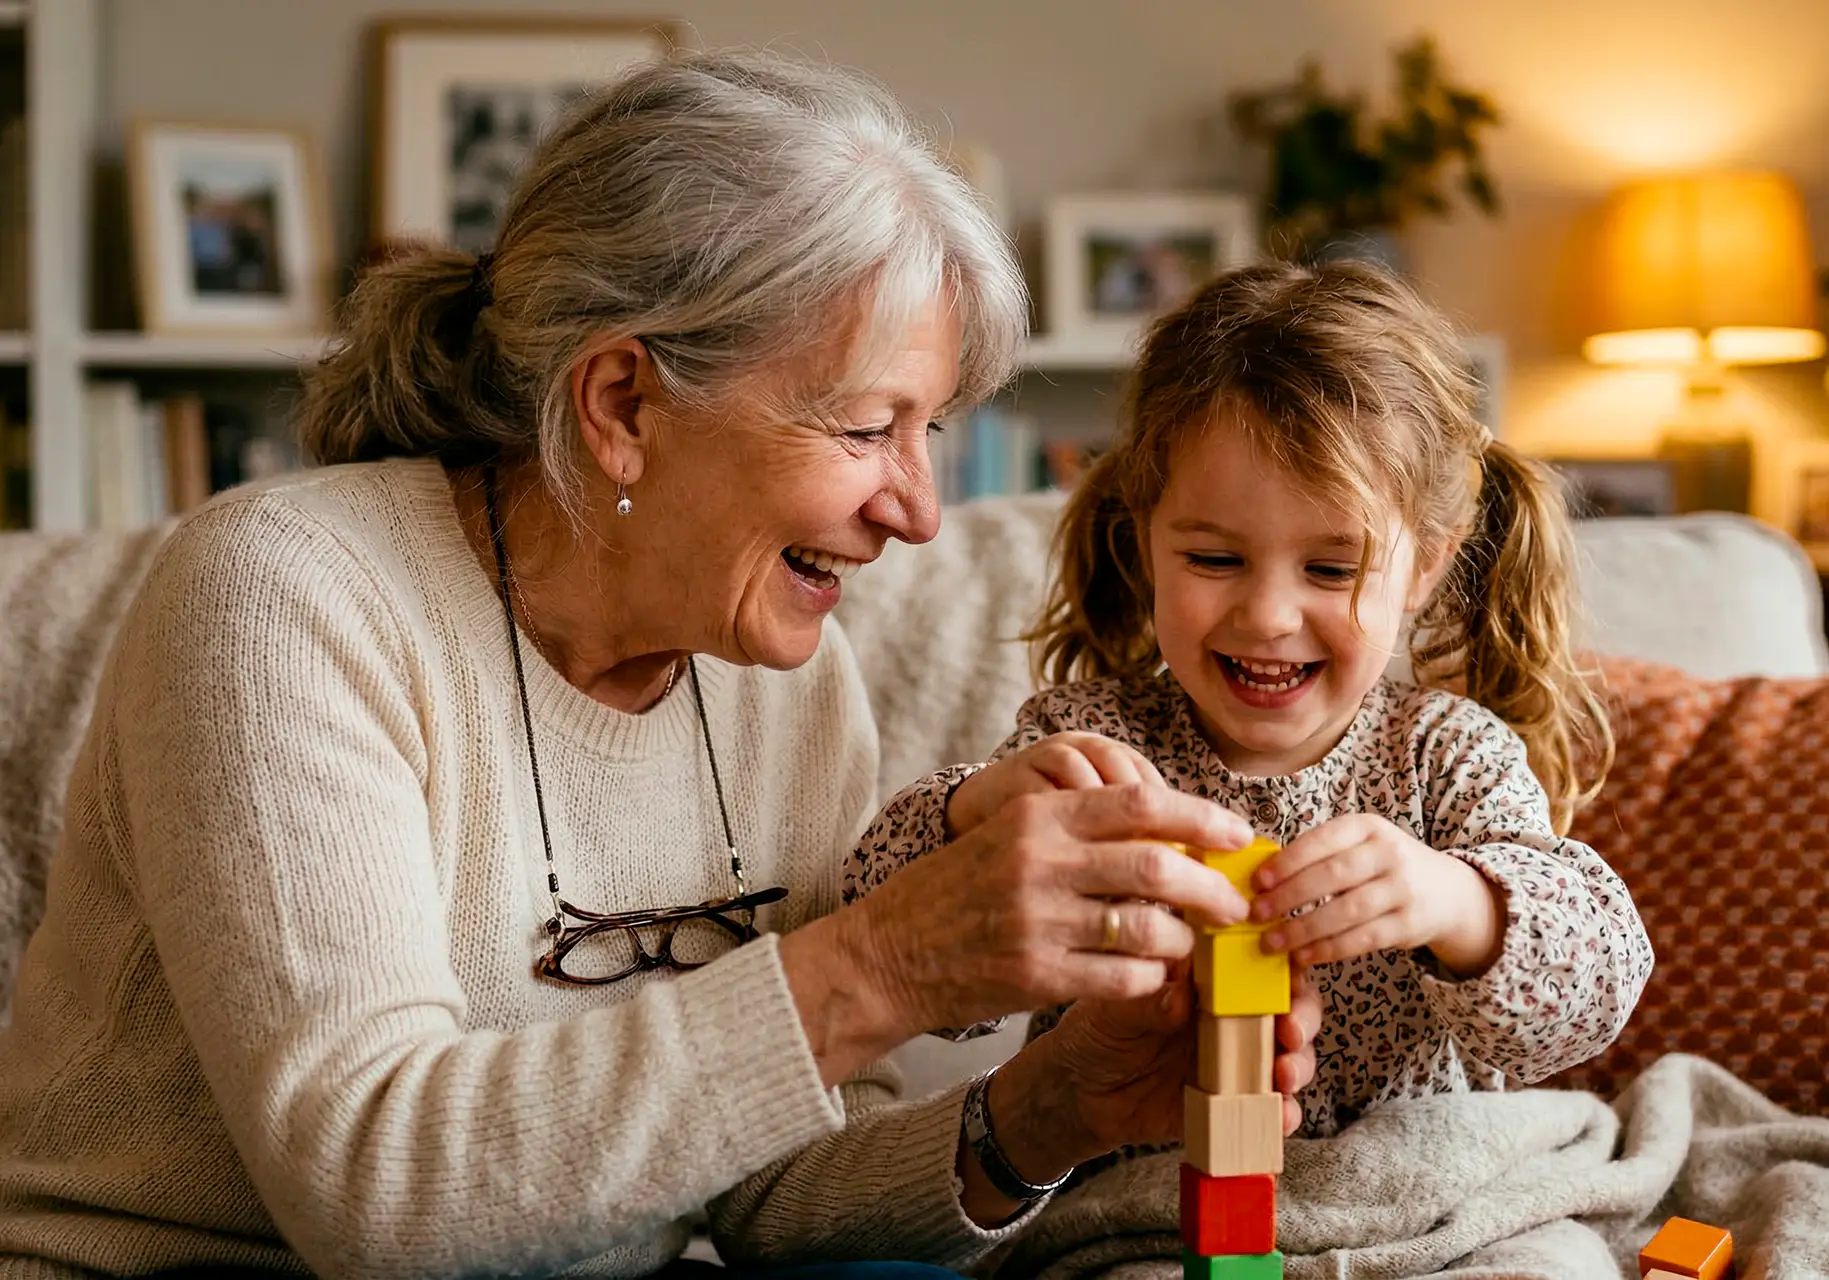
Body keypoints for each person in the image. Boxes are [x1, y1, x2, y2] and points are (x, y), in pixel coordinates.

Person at [0, 52, 1322, 1279]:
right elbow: (374, 1198)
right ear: (624, 404)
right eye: (869, 428)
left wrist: (1047, 1112)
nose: (917, 509)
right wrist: (883, 968)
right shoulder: (287, 594)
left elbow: (762, 1192)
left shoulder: (784, 675)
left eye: (933, 433)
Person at [850, 260, 1654, 1147]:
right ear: (1145, 540)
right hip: (1151, 1206)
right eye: (1216, 560)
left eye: (1331, 569)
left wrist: (1456, 901)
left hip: (1424, 1214)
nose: (1269, 617)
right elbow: (897, 958)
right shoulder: (1091, 750)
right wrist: (974, 817)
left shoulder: (1447, 757)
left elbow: (1583, 1006)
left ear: (1424, 566)